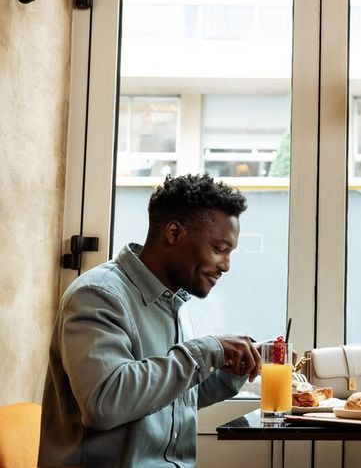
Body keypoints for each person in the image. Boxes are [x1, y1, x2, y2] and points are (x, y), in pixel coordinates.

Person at [39, 174, 262, 467]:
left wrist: (233, 369)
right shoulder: (98, 295)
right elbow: (105, 403)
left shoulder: (174, 302)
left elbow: (170, 399)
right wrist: (206, 350)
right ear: (173, 233)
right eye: (219, 249)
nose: (226, 266)